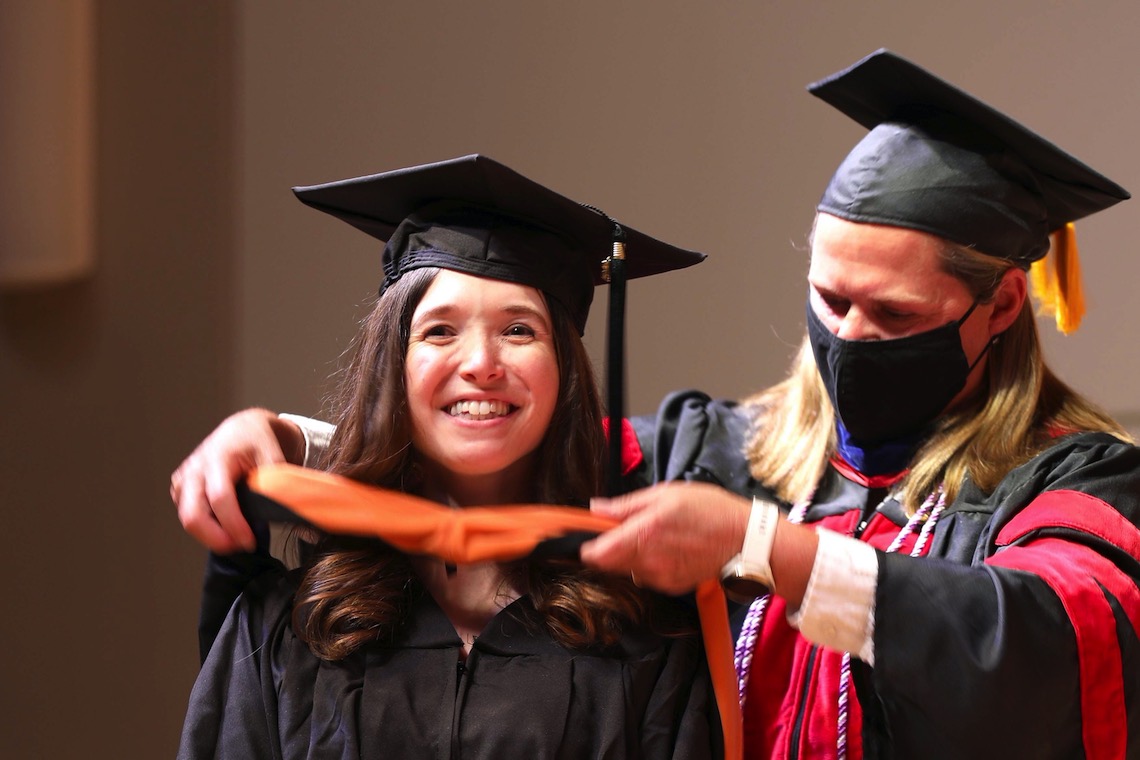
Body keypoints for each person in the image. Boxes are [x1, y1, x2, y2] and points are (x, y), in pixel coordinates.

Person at [172, 52, 1140, 758]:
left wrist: (769, 548)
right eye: (827, 298)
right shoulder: (725, 452)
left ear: (1001, 305)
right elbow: (501, 450)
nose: (847, 334)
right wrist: (283, 439)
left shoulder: (1075, 482)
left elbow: (1058, 645)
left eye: (893, 313)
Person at [176, 154, 725, 759]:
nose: (481, 364)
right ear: (394, 366)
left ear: (564, 371)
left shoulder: (646, 640)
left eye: (519, 330)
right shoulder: (288, 624)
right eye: (439, 331)